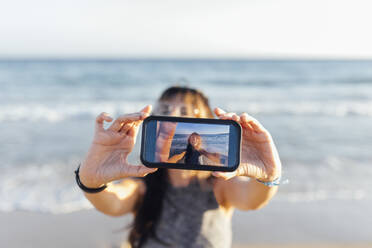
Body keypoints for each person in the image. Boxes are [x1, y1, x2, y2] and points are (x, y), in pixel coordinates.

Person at [78, 86, 282, 248]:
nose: (173, 113)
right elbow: (113, 203)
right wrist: (91, 181)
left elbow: (252, 199)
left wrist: (269, 176)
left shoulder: (221, 183)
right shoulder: (142, 184)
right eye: (165, 110)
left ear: (206, 122)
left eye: (185, 111)